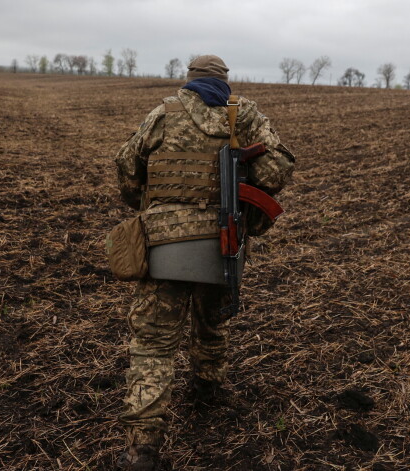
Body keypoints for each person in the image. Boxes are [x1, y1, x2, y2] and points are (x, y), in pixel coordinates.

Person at [114, 54, 295, 470]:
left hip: (162, 245)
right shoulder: (243, 113)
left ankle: (142, 448)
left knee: (153, 346)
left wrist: (148, 204)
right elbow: (280, 165)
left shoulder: (163, 112)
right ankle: (208, 388)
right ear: (224, 82)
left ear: (190, 80)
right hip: (222, 242)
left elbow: (126, 167)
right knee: (213, 321)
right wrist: (242, 180)